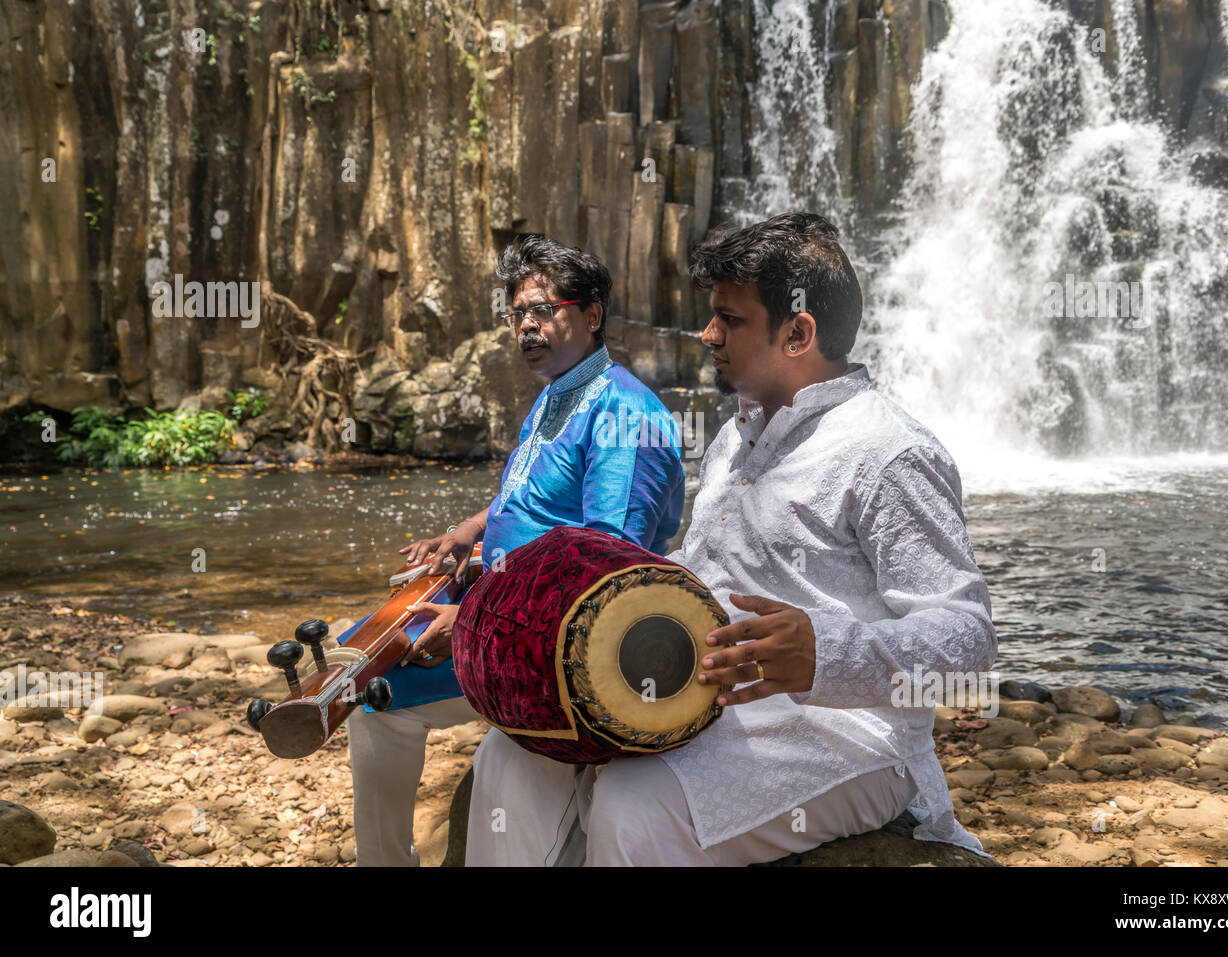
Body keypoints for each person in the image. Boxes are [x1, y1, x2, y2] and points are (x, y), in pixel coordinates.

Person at [466, 212, 997, 865]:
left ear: (797, 331)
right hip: (714, 698)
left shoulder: (889, 451)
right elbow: (702, 571)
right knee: (513, 752)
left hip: (852, 732)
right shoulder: (735, 436)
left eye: (730, 319)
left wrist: (822, 652)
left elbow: (967, 637)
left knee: (637, 806)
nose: (707, 333)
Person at [347, 234, 686, 866]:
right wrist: (471, 534)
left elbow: (605, 573)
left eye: (544, 309)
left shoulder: (623, 416)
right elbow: (532, 498)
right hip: (515, 614)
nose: (527, 326)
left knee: (376, 698)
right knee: (360, 661)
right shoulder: (560, 393)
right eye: (517, 315)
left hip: (564, 651)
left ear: (592, 314)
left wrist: (472, 619)